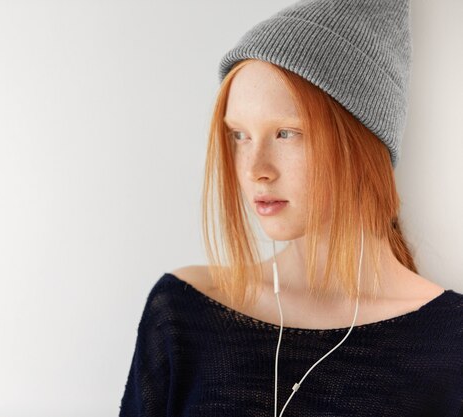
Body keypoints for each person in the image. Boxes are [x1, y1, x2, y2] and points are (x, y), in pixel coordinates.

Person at [118, 0, 463, 415]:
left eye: (286, 133)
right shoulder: (183, 313)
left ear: (362, 140)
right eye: (239, 135)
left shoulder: (449, 344)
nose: (255, 169)